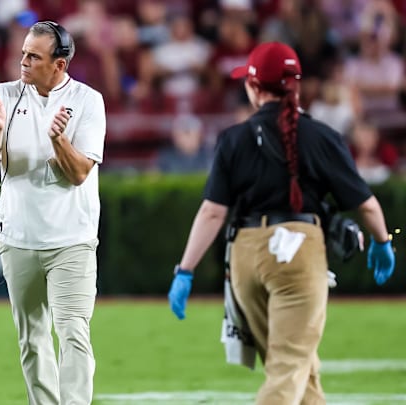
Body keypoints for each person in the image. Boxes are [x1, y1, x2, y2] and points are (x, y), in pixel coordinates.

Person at [166, 42, 396, 404]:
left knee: (298, 367)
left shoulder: (233, 138)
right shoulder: (322, 136)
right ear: (297, 86)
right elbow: (366, 205)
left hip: (244, 256)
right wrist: (383, 242)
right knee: (289, 364)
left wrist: (185, 270)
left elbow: (212, 212)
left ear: (254, 88)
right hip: (298, 254)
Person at [0, 21, 106, 405]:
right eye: (23, 52)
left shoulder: (87, 100)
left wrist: (58, 139)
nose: (23, 61)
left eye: (34, 56)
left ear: (59, 65)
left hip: (72, 241)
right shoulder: (4, 95)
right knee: (31, 338)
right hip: (17, 240)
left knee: (73, 332)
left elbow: (80, 172)